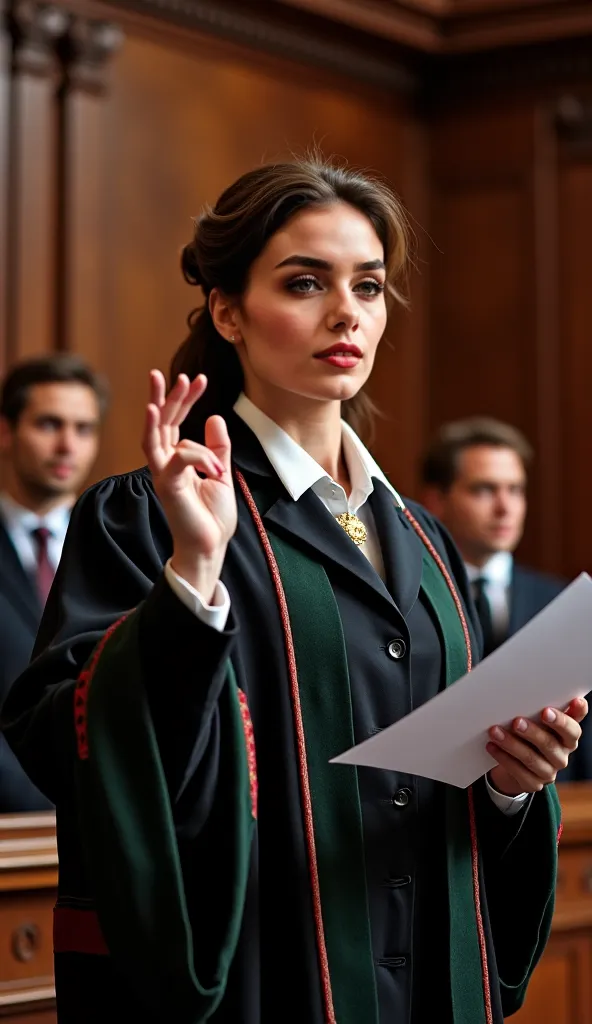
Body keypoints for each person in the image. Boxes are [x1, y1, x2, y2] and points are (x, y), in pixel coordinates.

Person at [1, 160, 584, 1024]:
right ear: (228, 311)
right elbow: (68, 746)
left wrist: (508, 784)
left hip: (424, 983)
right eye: (306, 282)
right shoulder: (148, 514)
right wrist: (193, 583)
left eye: (370, 285)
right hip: (268, 981)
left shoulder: (425, 540)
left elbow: (442, 776)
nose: (347, 310)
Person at [420, 417, 589, 781]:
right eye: (484, 490)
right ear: (436, 501)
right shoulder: (410, 600)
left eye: (515, 490)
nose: (504, 507)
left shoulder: (562, 603)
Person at [0, 354, 108, 811]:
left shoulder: (119, 551)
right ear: (6, 431)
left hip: (108, 824)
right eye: (49, 424)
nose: (68, 445)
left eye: (83, 429)